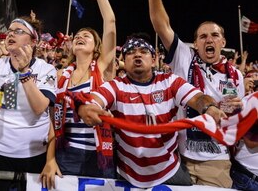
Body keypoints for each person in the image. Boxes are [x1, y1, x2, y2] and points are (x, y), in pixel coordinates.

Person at [75, 36, 227, 188]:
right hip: (126, 172)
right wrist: (86, 108)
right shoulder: (115, 86)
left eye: (143, 51)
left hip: (169, 170)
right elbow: (92, 100)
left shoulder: (170, 81)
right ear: (124, 61)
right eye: (130, 52)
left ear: (154, 60)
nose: (137, 55)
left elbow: (199, 98)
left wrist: (209, 108)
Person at [146, 0, 245, 188]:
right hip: (181, 157)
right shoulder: (184, 58)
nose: (209, 39)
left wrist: (236, 112)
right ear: (195, 44)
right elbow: (161, 25)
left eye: (214, 35)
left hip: (217, 160)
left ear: (224, 42)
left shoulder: (235, 75)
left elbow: (239, 121)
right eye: (203, 36)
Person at [0, 15, 60, 190]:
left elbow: (39, 108)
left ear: (33, 41)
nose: (11, 34)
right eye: (9, 31)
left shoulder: (45, 69)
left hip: (33, 156)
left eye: (18, 31)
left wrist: (24, 72)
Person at [54, 0, 116, 178]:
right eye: (77, 36)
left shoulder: (101, 67)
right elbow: (52, 118)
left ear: (96, 47)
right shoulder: (62, 73)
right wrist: (51, 158)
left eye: (86, 36)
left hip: (97, 155)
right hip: (66, 154)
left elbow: (110, 22)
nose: (79, 37)